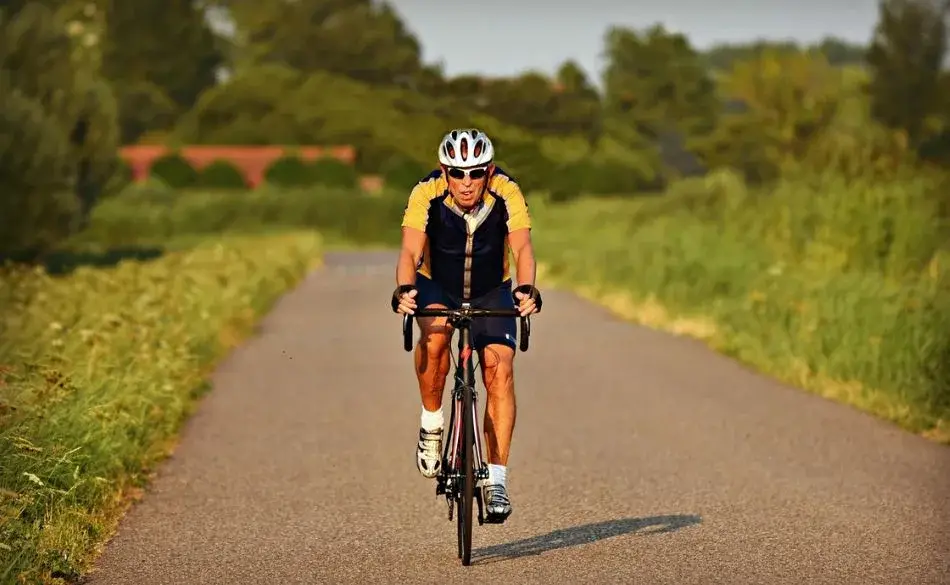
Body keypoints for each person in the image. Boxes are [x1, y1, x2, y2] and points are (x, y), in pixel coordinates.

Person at [390, 128, 542, 524]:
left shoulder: (507, 191)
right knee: (436, 333)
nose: (467, 182)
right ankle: (431, 423)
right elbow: (409, 249)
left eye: (476, 172)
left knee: (499, 369)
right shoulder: (426, 192)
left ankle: (496, 480)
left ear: (489, 171)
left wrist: (526, 289)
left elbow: (522, 247)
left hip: (491, 289)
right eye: (457, 173)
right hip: (438, 285)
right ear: (445, 170)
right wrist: (405, 289)